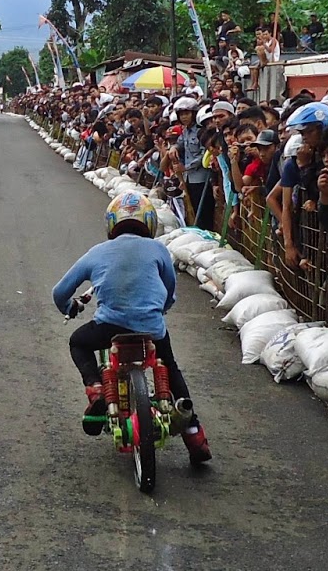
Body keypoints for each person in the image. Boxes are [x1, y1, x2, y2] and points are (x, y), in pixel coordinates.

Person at [51, 190, 210, 461]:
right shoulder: (159, 249)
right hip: (152, 328)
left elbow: (60, 292)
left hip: (109, 328)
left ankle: (96, 388)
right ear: (149, 222)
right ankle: (194, 434)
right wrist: (160, 310)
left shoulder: (97, 252)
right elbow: (170, 291)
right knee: (168, 366)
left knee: (78, 342)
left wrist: (69, 308)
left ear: (112, 223)